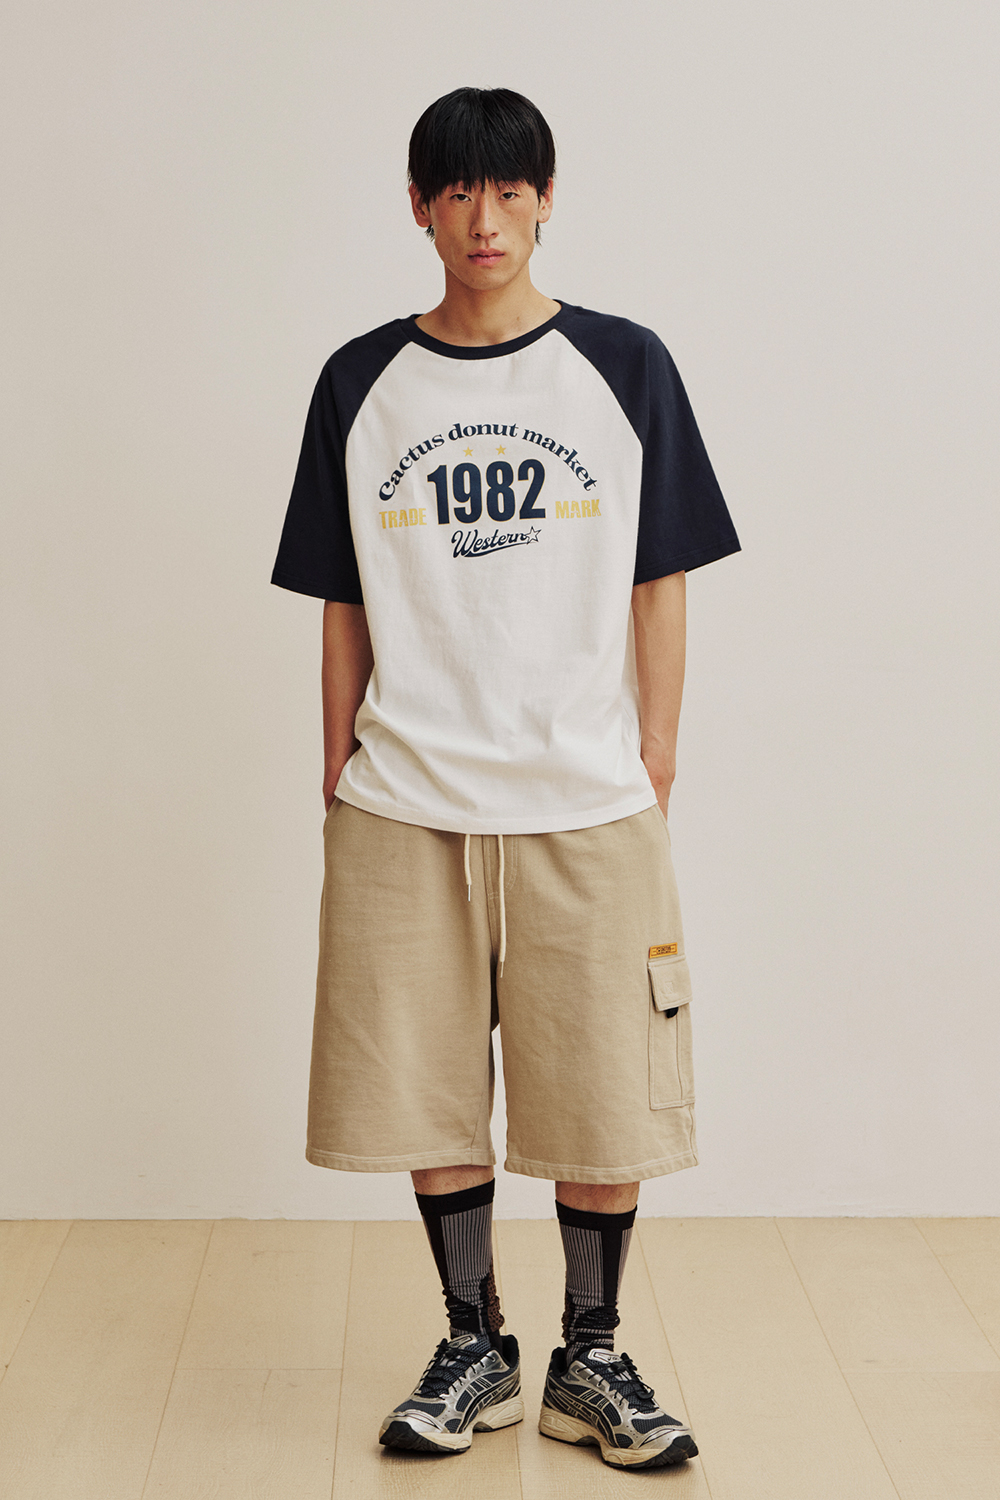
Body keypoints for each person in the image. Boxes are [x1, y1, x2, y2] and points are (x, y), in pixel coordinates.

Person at [271, 86, 739, 1471]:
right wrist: (336, 762)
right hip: (404, 797)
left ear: (546, 200)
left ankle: (592, 1356)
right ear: (419, 207)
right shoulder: (360, 382)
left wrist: (657, 754)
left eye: (511, 189)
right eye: (459, 192)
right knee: (425, 1084)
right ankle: (473, 1341)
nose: (487, 218)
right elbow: (342, 595)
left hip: (584, 794)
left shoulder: (624, 367)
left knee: (605, 1086)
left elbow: (661, 577)